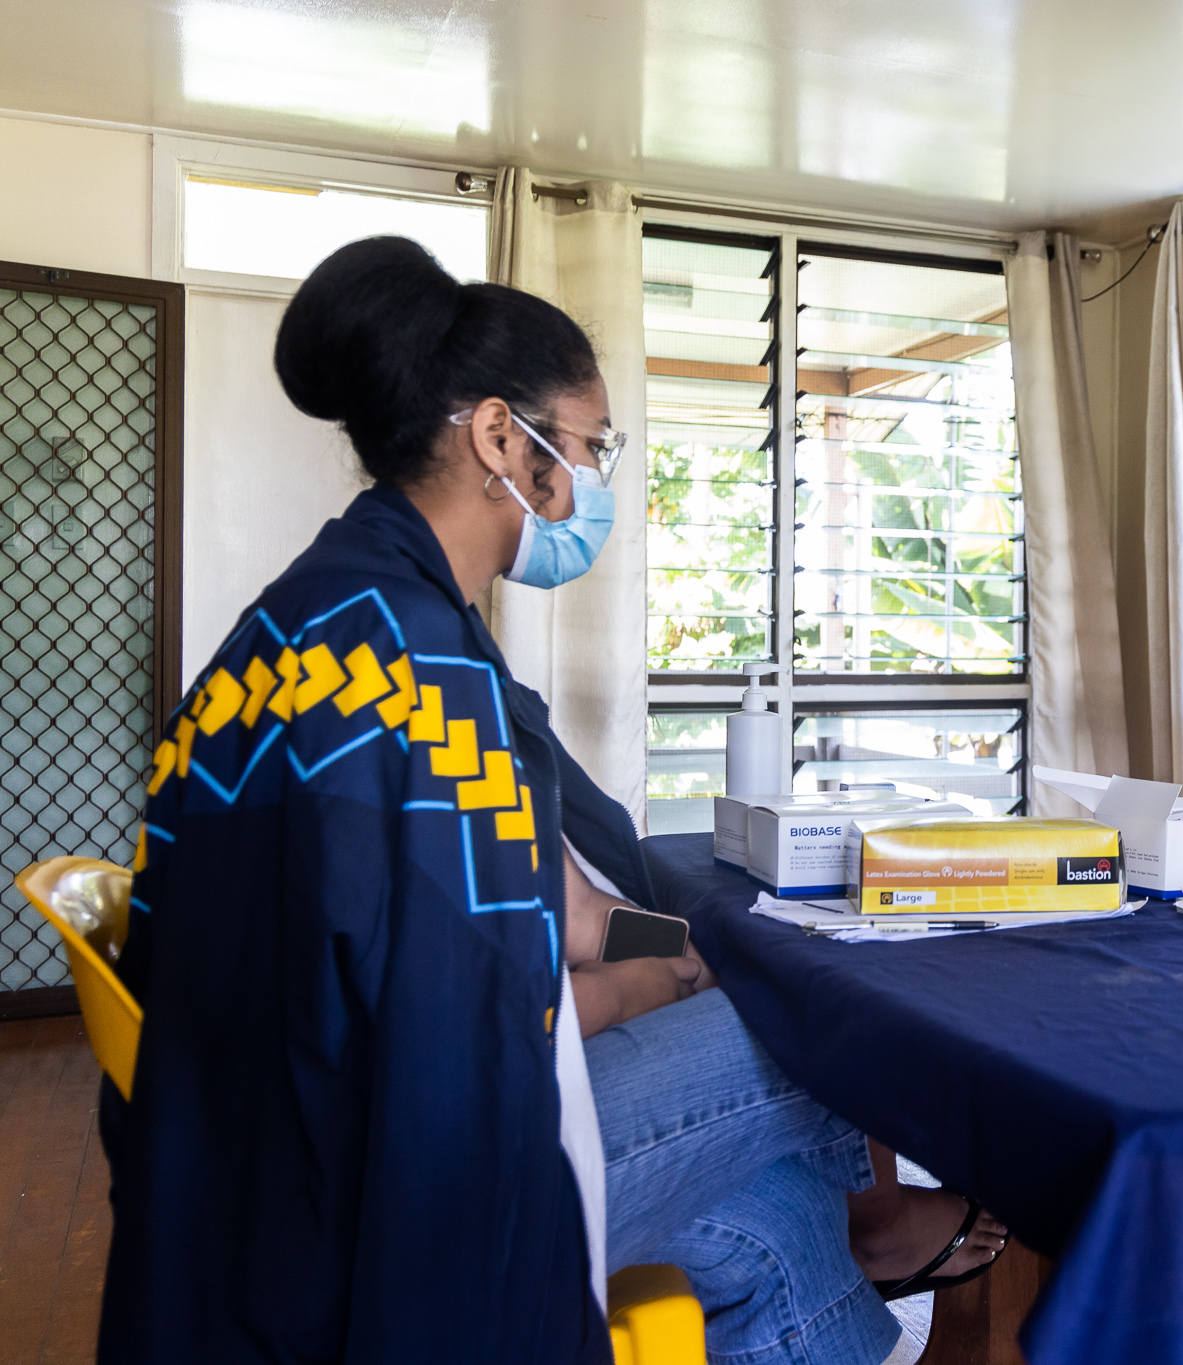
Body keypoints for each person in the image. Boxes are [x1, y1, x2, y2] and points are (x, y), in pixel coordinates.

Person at [103, 237, 1002, 1365]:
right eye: (590, 446)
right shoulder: (419, 679)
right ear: (498, 439)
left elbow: (566, 915)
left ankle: (853, 1237)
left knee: (774, 1223)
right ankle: (884, 1220)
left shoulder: (311, 625)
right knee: (817, 1036)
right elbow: (494, 1018)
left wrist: (692, 946)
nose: (596, 482)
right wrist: (670, 978)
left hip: (223, 1157)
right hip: (358, 1187)